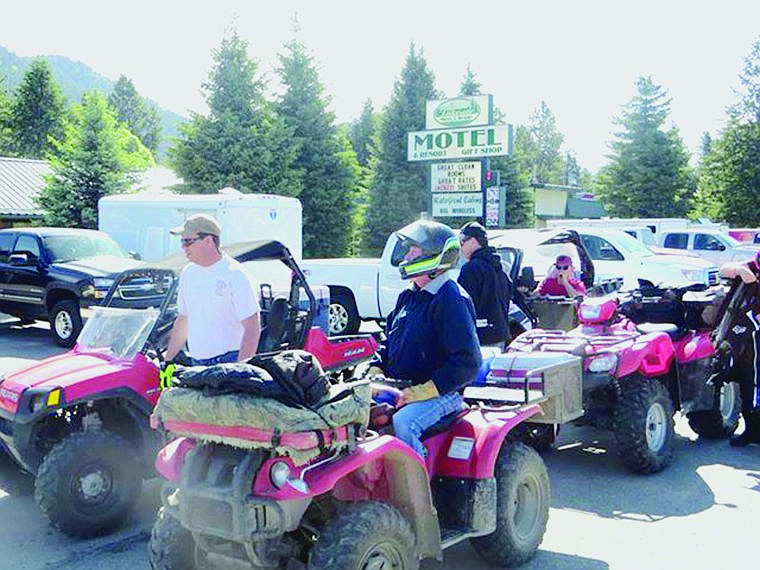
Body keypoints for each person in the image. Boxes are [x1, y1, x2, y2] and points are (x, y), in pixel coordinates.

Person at [369, 220, 482, 457]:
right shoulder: (408, 296)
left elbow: (467, 363)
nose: (408, 256)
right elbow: (389, 342)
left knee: (403, 422)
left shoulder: (451, 299)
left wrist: (424, 391)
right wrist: (375, 369)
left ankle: (415, 489)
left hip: (444, 393)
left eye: (414, 250)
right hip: (402, 387)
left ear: (435, 256)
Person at [164, 214, 261, 366]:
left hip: (229, 361)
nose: (183, 247)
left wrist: (241, 369)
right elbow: (183, 320)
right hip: (196, 363)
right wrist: (168, 360)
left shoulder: (235, 275)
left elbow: (252, 327)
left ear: (209, 240)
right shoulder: (188, 273)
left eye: (188, 241)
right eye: (182, 241)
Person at [716, 252, 760, 446]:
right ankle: (751, 432)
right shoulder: (752, 265)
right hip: (746, 339)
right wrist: (741, 270)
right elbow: (723, 269)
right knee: (747, 383)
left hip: (753, 333)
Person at [457, 221, 513, 349]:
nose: (461, 246)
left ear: (473, 241)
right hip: (500, 335)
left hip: (480, 338)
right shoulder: (501, 267)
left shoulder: (471, 269)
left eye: (462, 241)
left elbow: (463, 306)